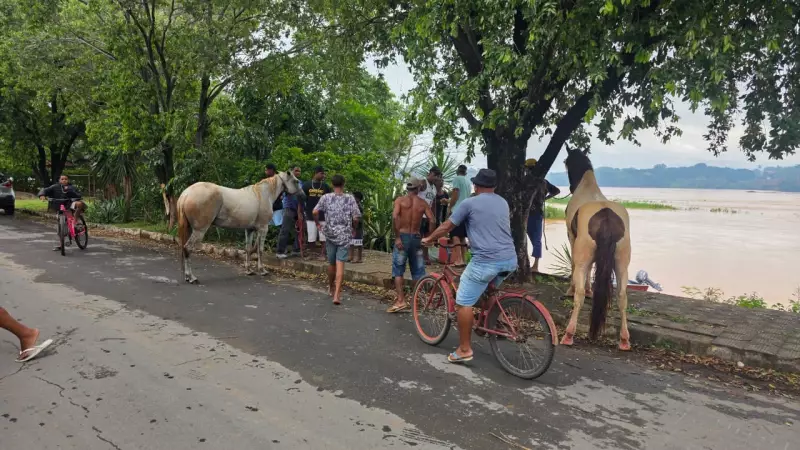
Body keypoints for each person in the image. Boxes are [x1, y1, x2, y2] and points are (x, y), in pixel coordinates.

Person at [422, 169, 517, 364]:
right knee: (488, 290)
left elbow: (447, 226)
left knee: (463, 301)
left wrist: (429, 238)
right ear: (494, 186)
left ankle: (464, 349)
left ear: (476, 185)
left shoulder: (469, 203)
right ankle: (491, 322)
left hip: (486, 260)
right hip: (509, 259)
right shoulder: (502, 202)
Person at [388, 178, 435, 313]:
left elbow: (395, 216)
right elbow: (432, 219)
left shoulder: (400, 200)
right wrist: (429, 237)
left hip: (402, 238)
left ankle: (400, 300)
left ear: (407, 188)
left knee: (398, 270)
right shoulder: (423, 203)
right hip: (416, 238)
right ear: (418, 189)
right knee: (418, 271)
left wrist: (397, 237)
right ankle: (416, 299)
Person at [313, 174, 361, 305]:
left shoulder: (326, 197)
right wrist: (353, 228)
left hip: (330, 234)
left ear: (332, 184)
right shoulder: (350, 198)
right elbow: (356, 217)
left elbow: (315, 212)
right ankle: (337, 295)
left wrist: (318, 224)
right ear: (343, 184)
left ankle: (330, 287)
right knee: (340, 265)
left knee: (331, 263)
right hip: (344, 235)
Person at [525, 158, 561, 273]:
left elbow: (556, 191)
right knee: (536, 240)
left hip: (525, 214)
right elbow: (556, 191)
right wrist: (545, 199)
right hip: (537, 214)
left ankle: (530, 265)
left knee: (525, 239)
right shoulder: (543, 182)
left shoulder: (525, 181)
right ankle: (535, 265)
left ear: (527, 169)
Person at [38, 174, 86, 252]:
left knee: (79, 204)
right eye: (62, 179)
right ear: (59, 180)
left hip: (70, 205)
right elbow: (45, 190)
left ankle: (76, 220)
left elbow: (79, 195)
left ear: (68, 180)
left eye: (66, 179)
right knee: (60, 227)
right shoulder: (54, 187)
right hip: (59, 207)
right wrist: (42, 195)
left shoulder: (72, 187)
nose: (64, 180)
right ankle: (61, 244)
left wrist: (71, 192)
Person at [304, 166, 331, 260]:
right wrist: (300, 212)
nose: (324, 175)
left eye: (324, 173)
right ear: (316, 173)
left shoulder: (326, 186)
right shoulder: (306, 185)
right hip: (310, 215)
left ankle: (323, 254)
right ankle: (311, 254)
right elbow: (301, 199)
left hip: (323, 215)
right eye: (322, 173)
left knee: (323, 236)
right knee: (311, 236)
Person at [448, 165, 472, 267]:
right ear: (466, 173)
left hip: (458, 210)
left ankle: (458, 260)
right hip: (466, 211)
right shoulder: (468, 182)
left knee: (455, 235)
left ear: (457, 171)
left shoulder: (457, 179)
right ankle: (465, 260)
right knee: (462, 237)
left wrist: (450, 205)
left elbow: (455, 194)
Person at [276, 166, 303, 258]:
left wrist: (300, 211)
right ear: (291, 172)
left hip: (298, 208)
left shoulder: (300, 183)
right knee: (285, 229)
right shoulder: (287, 182)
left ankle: (296, 250)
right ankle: (280, 251)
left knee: (299, 230)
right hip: (289, 207)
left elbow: (301, 198)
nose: (298, 173)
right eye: (296, 171)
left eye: (299, 171)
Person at [417, 166, 441, 265]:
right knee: (418, 236)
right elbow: (413, 193)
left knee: (427, 236)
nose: (435, 178)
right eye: (434, 175)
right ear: (429, 174)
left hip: (428, 216)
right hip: (419, 214)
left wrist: (433, 216)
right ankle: (416, 257)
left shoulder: (434, 188)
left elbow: (433, 203)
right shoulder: (423, 182)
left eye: (437, 176)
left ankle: (425, 256)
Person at [265, 163, 284, 229]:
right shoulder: (267, 180)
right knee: (265, 225)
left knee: (280, 225)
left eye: (266, 170)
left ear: (271, 170)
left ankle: (283, 239)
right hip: (269, 206)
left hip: (277, 206)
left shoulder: (278, 179)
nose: (265, 172)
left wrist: (283, 195)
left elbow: (284, 189)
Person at [348, 191, 364, 263]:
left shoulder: (359, 206)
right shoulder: (352, 205)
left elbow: (357, 218)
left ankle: (359, 258)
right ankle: (351, 256)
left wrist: (355, 227)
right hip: (351, 225)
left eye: (354, 197)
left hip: (358, 226)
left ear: (358, 199)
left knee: (358, 242)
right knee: (351, 242)